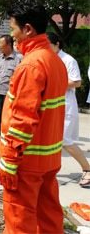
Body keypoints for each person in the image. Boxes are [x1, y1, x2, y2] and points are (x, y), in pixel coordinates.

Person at [0, 1, 68, 233]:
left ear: (27, 29)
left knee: (20, 221)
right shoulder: (54, 60)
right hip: (48, 158)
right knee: (48, 218)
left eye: (13, 28)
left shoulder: (31, 65)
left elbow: (22, 120)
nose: (11, 35)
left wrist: (9, 161)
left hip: (27, 161)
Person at [47, 33, 90, 188]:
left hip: (66, 105)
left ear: (57, 44)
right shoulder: (48, 59)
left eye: (48, 45)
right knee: (50, 140)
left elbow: (77, 82)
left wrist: (53, 84)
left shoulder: (68, 60)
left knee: (65, 141)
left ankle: (87, 169)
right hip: (51, 105)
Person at [0, 35, 22, 148]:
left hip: (11, 95)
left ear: (9, 45)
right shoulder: (0, 58)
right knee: (0, 118)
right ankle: (1, 139)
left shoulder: (19, 59)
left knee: (10, 119)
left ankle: (10, 142)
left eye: (1, 43)